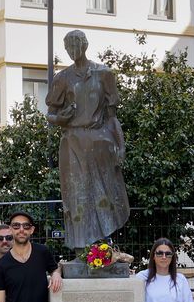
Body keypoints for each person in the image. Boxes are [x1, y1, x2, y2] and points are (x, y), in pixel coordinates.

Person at [45, 29, 130, 249]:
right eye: (68, 47)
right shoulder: (62, 78)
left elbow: (112, 116)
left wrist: (120, 146)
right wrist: (60, 119)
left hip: (100, 141)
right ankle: (82, 248)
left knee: (105, 192)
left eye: (75, 45)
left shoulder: (103, 74)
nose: (72, 50)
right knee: (77, 194)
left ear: (85, 45)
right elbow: (50, 114)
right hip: (72, 142)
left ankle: (103, 244)